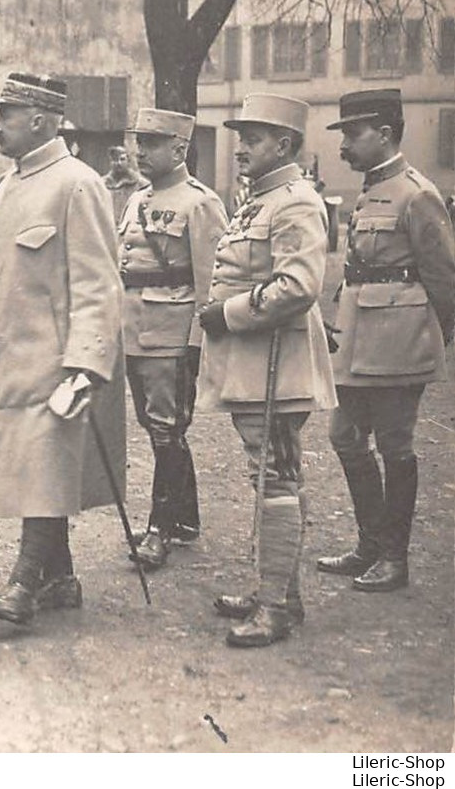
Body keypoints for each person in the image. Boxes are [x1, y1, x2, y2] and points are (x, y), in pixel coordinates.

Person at [0, 73, 123, 628]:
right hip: (6, 360)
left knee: (44, 467)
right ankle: (60, 578)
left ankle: (25, 583)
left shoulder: (77, 183)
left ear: (40, 121)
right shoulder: (7, 185)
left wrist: (86, 364)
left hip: (53, 364)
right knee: (36, 471)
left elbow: (99, 282)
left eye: (7, 114)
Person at [198, 93, 336, 647]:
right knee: (271, 476)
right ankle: (279, 590)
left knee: (275, 478)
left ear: (283, 144)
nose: (239, 149)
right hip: (254, 365)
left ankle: (276, 606)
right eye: (240, 138)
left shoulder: (296, 201)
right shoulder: (259, 200)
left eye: (252, 139)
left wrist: (226, 315)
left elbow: (299, 287)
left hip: (279, 363)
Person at [316, 89, 455, 593]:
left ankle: (394, 558)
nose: (344, 147)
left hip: (400, 345)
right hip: (357, 342)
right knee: (343, 436)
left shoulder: (417, 193)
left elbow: (444, 281)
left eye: (353, 135)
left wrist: (427, 341)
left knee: (395, 446)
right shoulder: (372, 188)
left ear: (386, 134)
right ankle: (370, 544)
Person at [118, 109, 229, 571]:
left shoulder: (200, 202)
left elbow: (213, 281)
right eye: (138, 142)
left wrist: (197, 344)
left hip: (171, 331)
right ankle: (185, 519)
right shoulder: (135, 198)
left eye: (152, 143)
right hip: (133, 328)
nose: (140, 151)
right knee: (155, 426)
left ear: (179, 149)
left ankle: (159, 530)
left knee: (166, 428)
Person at [104, 145, 147, 227]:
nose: (118, 163)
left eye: (122, 159)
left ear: (128, 161)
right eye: (114, 160)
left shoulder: (141, 184)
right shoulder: (102, 184)